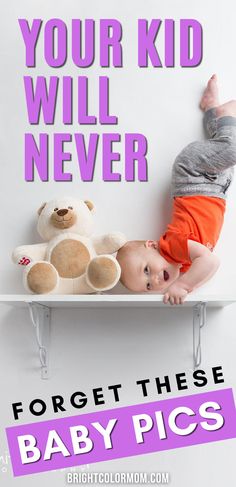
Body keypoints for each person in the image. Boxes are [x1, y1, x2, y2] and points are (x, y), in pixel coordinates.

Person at [117, 75, 236, 304]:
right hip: (214, 187)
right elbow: (211, 263)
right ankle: (212, 106)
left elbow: (210, 262)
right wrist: (187, 282)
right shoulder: (185, 262)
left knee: (231, 149)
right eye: (148, 286)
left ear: (151, 246)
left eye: (146, 270)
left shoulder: (172, 247)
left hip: (193, 174)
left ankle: (227, 112)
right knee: (220, 143)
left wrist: (183, 285)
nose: (154, 280)